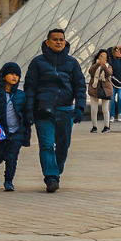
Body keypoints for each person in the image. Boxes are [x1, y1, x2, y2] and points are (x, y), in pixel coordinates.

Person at [24, 28, 86, 193]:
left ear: (65, 42)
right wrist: (29, 110)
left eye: (61, 39)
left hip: (66, 109)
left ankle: (55, 171)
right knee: (46, 145)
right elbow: (30, 87)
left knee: (63, 147)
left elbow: (80, 86)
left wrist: (80, 107)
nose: (59, 42)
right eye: (55, 39)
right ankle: (51, 177)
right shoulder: (37, 62)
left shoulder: (72, 63)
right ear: (47, 42)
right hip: (43, 109)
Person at [0, 62, 31, 192]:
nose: (15, 77)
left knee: (12, 158)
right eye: (11, 74)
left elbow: (25, 117)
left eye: (17, 75)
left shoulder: (21, 95)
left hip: (16, 132)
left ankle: (9, 181)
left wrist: (26, 134)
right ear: (3, 76)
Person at [87, 49, 113, 133]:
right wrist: (98, 64)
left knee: (105, 109)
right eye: (101, 56)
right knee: (94, 109)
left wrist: (104, 66)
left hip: (106, 89)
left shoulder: (108, 66)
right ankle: (94, 126)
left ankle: (106, 126)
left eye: (104, 56)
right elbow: (91, 72)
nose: (102, 58)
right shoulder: (94, 65)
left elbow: (109, 74)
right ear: (98, 56)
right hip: (94, 88)